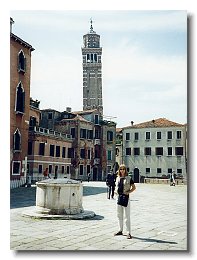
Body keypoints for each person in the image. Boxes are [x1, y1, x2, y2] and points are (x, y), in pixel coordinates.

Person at [114, 164, 136, 239]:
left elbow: (134, 187)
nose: (122, 170)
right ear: (119, 170)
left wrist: (128, 192)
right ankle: (120, 230)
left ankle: (128, 232)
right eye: (121, 169)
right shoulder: (118, 178)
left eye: (123, 169)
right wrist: (115, 192)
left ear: (125, 170)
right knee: (119, 215)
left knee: (127, 216)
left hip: (126, 198)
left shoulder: (129, 178)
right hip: (119, 197)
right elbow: (116, 187)